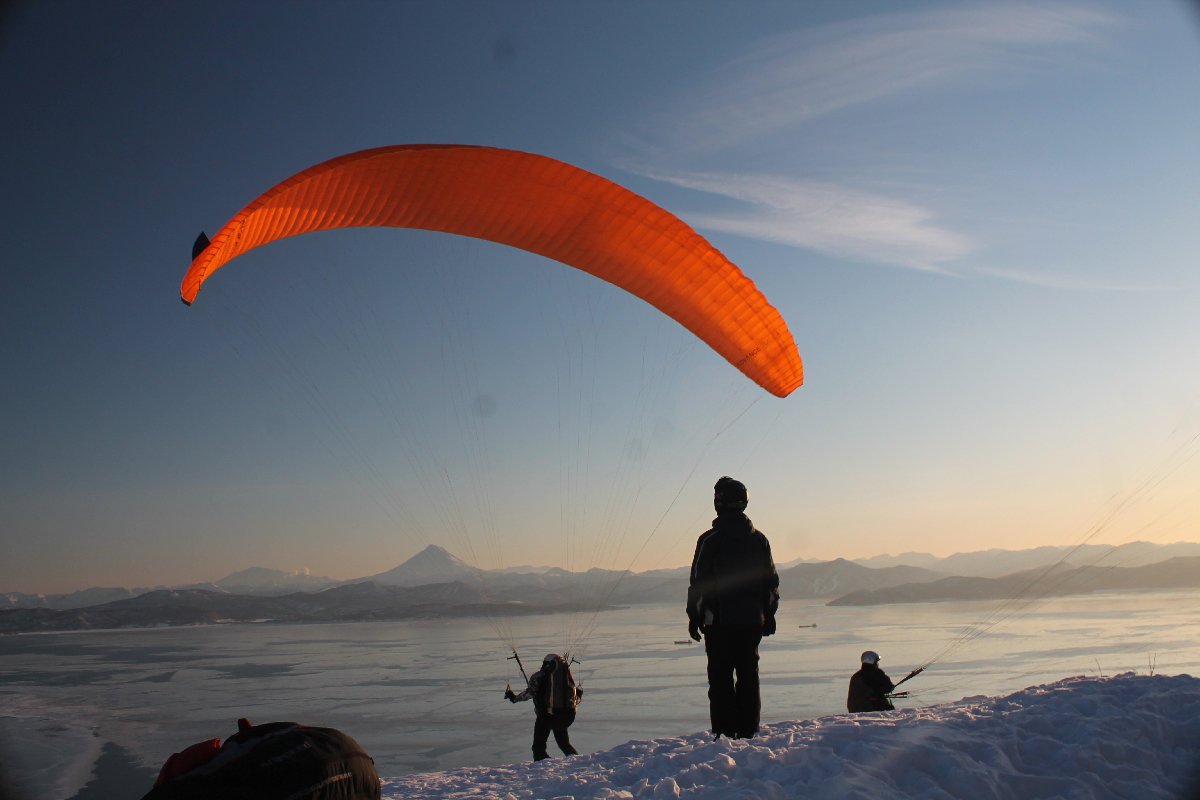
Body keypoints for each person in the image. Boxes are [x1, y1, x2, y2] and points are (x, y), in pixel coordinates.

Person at [686, 476, 780, 739]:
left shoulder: (710, 540)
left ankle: (725, 735)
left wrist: (695, 617)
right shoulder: (759, 540)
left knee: (720, 679)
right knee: (749, 675)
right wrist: (768, 615)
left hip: (719, 622)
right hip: (752, 621)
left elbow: (699, 583)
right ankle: (749, 730)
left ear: (719, 502)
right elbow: (770, 582)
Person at [504, 653, 581, 761]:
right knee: (564, 745)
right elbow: (575, 699)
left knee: (538, 747)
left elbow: (530, 693)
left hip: (547, 717)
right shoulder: (567, 678)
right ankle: (577, 762)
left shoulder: (539, 676)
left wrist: (514, 698)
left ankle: (542, 768)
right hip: (566, 717)